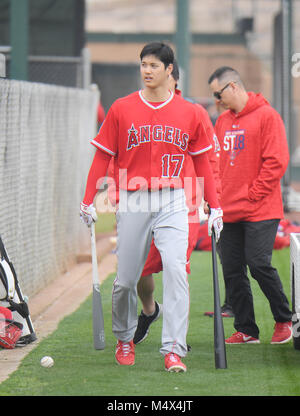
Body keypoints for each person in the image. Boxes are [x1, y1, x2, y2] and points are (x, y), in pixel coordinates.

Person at [80, 42, 223, 373]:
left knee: (176, 270)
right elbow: (102, 156)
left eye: (154, 65)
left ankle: (173, 348)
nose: (147, 70)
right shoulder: (121, 108)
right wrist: (88, 200)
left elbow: (203, 164)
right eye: (143, 64)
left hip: (173, 198)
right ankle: (125, 337)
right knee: (126, 280)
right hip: (134, 198)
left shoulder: (192, 113)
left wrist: (214, 207)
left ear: (169, 70)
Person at [132, 59, 223, 345]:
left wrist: (212, 199)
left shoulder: (194, 113)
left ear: (172, 78)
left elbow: (210, 160)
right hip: (143, 204)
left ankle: (175, 339)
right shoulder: (142, 110)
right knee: (137, 270)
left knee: (176, 270)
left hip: (184, 206)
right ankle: (149, 310)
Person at [208, 66, 292, 345]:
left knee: (258, 265)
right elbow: (215, 164)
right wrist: (215, 198)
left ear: (233, 86)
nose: (217, 102)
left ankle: (284, 320)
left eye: (218, 95)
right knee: (232, 270)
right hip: (228, 210)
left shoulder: (267, 116)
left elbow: (277, 161)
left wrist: (253, 195)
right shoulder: (221, 122)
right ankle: (246, 329)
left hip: (260, 209)